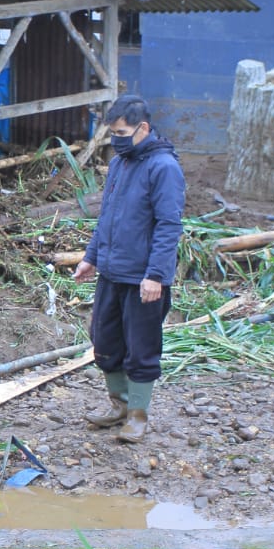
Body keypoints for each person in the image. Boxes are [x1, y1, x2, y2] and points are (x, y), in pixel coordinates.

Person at [74, 95, 185, 443]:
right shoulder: (120, 163)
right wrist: (91, 257)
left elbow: (169, 225)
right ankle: (119, 405)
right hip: (111, 271)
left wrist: (156, 275)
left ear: (143, 128)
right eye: (113, 133)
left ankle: (138, 415)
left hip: (143, 277)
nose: (116, 140)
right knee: (104, 341)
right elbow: (106, 216)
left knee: (141, 346)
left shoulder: (163, 167)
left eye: (121, 133)